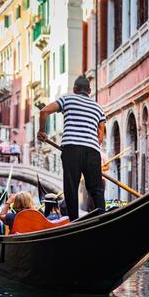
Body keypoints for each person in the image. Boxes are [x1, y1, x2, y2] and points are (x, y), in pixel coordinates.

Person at [37, 76, 107, 221]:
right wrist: (90, 144)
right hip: (92, 150)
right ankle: (103, 219)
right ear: (89, 90)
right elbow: (100, 137)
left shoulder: (67, 100)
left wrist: (42, 131)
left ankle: (74, 222)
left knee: (71, 188)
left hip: (71, 149)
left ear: (75, 89)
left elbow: (44, 112)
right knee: (96, 189)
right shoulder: (98, 108)